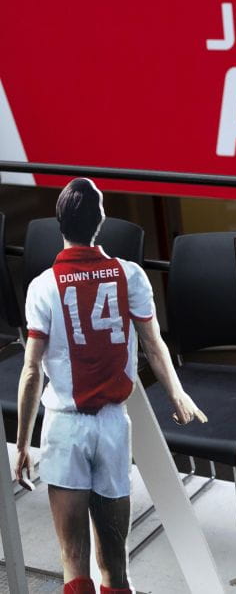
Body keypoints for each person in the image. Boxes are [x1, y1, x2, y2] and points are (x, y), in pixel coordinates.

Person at [14, 178, 207, 594]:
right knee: (115, 566)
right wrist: (176, 392)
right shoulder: (130, 275)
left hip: (65, 426)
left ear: (60, 221)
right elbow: (154, 344)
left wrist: (23, 443)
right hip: (114, 427)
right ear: (100, 220)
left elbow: (31, 370)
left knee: (73, 563)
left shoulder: (43, 286)